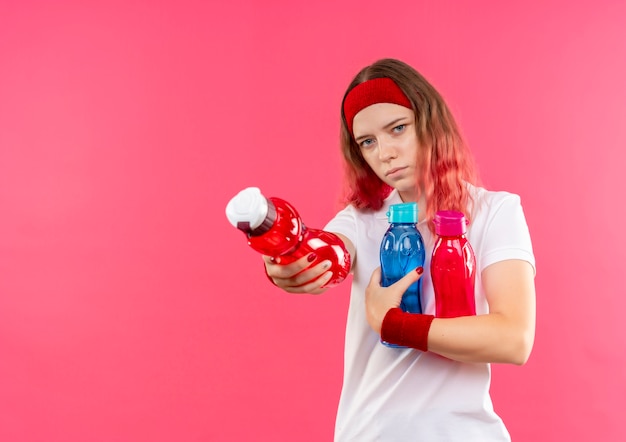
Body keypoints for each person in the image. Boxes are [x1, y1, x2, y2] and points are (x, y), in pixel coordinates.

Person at [263, 58, 536, 441]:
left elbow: (513, 339)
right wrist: (284, 255)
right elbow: (327, 255)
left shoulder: (495, 213)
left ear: (430, 123)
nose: (384, 153)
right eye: (367, 142)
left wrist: (394, 324)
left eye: (398, 129)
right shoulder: (360, 219)